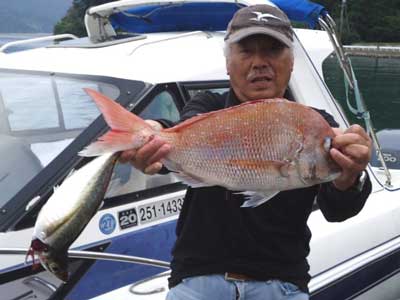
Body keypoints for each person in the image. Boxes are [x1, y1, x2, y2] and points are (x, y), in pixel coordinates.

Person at [120, 4, 372, 300]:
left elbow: (337, 210)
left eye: (272, 51)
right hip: (198, 281)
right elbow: (183, 132)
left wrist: (350, 176)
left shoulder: (316, 125)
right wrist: (152, 133)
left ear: (291, 62)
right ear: (228, 63)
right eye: (246, 51)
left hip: (282, 285)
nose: (259, 63)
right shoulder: (207, 107)